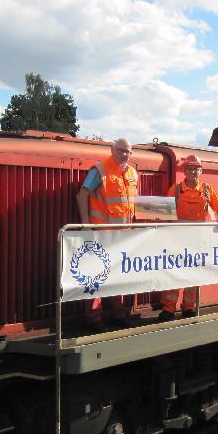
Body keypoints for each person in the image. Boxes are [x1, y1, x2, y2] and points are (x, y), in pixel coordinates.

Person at [76, 138, 138, 330]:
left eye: (128, 151)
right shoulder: (100, 170)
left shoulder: (133, 173)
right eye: (121, 150)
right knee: (97, 276)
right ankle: (93, 318)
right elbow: (82, 195)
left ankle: (118, 314)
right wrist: (86, 225)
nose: (124, 154)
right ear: (112, 149)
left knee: (116, 275)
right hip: (102, 234)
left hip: (122, 236)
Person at [159, 154, 218, 321]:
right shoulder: (174, 190)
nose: (193, 172)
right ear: (185, 171)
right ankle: (168, 308)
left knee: (193, 273)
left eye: (196, 169)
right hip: (178, 240)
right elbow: (164, 214)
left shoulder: (207, 190)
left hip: (198, 241)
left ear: (201, 171)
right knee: (174, 273)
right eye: (190, 169)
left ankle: (188, 307)